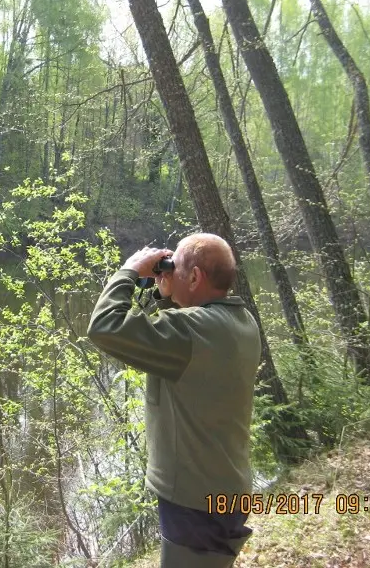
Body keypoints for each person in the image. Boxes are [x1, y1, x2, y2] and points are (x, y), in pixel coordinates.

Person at [87, 233, 260, 568]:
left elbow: (105, 327)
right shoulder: (241, 322)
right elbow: (183, 350)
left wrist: (129, 271)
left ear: (195, 277)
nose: (166, 273)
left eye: (174, 267)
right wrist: (167, 295)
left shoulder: (193, 331)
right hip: (227, 486)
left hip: (195, 500)